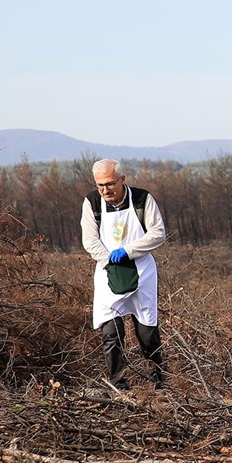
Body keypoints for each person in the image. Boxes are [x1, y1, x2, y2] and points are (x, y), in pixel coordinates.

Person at [81, 159, 168, 390]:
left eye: (110, 184)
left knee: (147, 331)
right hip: (109, 272)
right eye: (100, 185)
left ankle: (157, 382)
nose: (105, 190)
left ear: (122, 179)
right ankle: (118, 383)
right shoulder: (92, 203)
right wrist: (109, 259)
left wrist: (128, 251)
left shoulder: (142, 199)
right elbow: (89, 239)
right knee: (112, 332)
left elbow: (158, 233)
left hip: (142, 271)